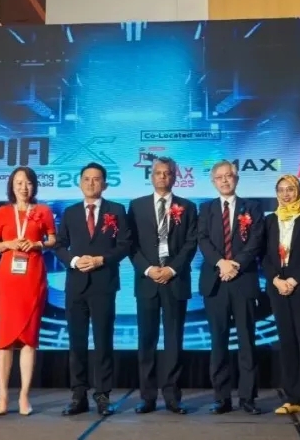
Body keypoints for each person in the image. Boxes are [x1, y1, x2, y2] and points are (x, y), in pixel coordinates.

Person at [54, 163, 132, 417]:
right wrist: (74, 261)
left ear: (105, 184)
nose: (91, 183)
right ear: (79, 183)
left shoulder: (116, 210)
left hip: (103, 283)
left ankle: (103, 395)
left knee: (103, 341)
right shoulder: (70, 212)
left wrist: (101, 260)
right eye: (86, 179)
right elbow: (59, 245)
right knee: (76, 342)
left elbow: (124, 245)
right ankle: (78, 395)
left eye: (96, 179)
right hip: (76, 285)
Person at [128, 156, 198, 414]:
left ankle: (172, 396)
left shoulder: (188, 207)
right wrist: (148, 270)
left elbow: (191, 243)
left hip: (175, 281)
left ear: (175, 176)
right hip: (147, 281)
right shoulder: (136, 206)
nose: (162, 177)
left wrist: (171, 269)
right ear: (151, 176)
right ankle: (147, 397)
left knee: (173, 341)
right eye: (158, 173)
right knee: (146, 341)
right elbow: (130, 244)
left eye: (167, 173)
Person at [0, 166, 56, 416]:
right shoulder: (2, 212)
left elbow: (53, 240)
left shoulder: (43, 211)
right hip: (8, 279)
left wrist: (37, 244)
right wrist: (10, 243)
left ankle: (24, 396)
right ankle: (3, 397)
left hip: (33, 276)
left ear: (34, 185)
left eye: (28, 183)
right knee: (4, 340)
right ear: (11, 186)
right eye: (18, 183)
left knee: (29, 339)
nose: (23, 187)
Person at [196, 160, 264, 415]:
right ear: (213, 181)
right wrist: (221, 263)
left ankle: (248, 397)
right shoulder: (206, 208)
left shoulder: (252, 208)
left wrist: (236, 264)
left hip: (243, 279)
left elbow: (256, 240)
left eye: (229, 176)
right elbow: (202, 239)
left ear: (237, 179)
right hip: (215, 282)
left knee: (247, 340)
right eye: (220, 177)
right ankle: (221, 398)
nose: (225, 180)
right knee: (218, 342)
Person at [263, 174, 300, 418]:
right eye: (281, 189)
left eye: (290, 189)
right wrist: (276, 280)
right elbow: (264, 256)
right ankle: (292, 398)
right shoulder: (271, 220)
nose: (286, 194)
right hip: (279, 289)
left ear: (298, 190)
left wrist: (294, 280)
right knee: (287, 343)